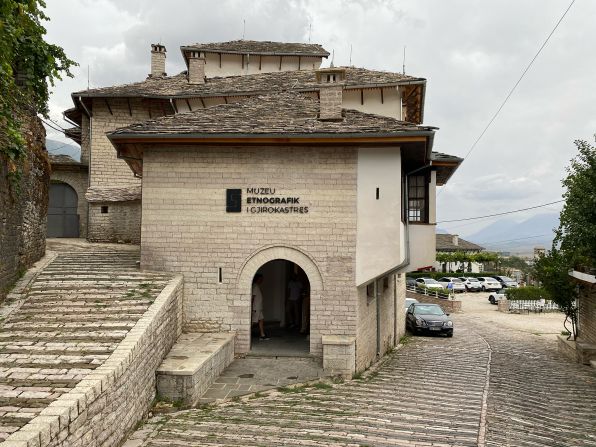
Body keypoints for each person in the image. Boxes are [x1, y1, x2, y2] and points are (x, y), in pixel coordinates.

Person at [252, 274, 268, 340]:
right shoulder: (255, 287)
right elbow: (252, 297)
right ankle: (245, 333)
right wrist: (251, 307)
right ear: (257, 279)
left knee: (261, 320)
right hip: (256, 307)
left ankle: (262, 335)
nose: (262, 280)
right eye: (261, 279)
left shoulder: (257, 286)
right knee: (253, 322)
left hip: (259, 307)